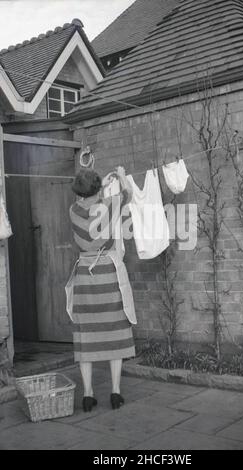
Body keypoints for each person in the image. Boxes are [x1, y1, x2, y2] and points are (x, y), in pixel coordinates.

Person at [66, 165, 137, 412]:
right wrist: (120, 174)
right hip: (107, 272)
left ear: (78, 191)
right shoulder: (110, 204)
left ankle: (87, 395)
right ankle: (115, 393)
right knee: (114, 331)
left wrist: (99, 185)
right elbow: (128, 193)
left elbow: (86, 200)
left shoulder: (73, 210)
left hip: (85, 275)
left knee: (86, 336)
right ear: (99, 189)